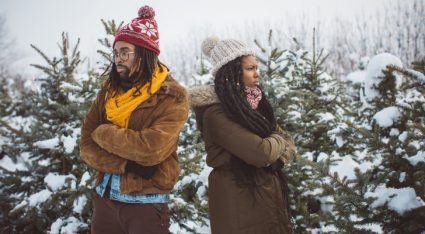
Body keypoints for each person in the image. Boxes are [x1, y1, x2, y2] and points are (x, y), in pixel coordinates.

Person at [80, 5, 188, 234]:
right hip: (104, 198)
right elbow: (86, 146)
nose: (118, 59)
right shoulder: (108, 92)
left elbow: (151, 149)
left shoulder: (171, 96)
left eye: (125, 52)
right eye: (116, 53)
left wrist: (103, 133)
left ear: (144, 53)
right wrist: (126, 164)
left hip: (145, 204)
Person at [189, 37, 296, 234]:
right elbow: (261, 153)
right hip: (240, 201)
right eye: (250, 68)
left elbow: (288, 142)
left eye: (257, 68)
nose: (257, 74)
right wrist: (276, 142)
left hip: (267, 198)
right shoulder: (216, 113)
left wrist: (275, 152)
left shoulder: (254, 106)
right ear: (231, 72)